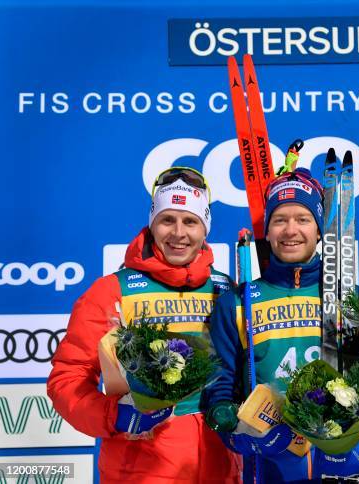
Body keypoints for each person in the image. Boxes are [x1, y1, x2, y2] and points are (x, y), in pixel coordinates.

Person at [47, 167, 241, 484]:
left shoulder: (225, 290)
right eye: (167, 220)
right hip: (142, 470)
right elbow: (68, 378)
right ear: (152, 224)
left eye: (190, 221)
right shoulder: (112, 291)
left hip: (221, 469)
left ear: (205, 229)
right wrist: (116, 417)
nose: (179, 233)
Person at [206, 168, 359, 483]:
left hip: (339, 468)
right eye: (280, 220)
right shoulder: (237, 303)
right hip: (268, 468)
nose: (290, 230)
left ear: (320, 230)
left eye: (302, 219)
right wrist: (239, 435)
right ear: (268, 231)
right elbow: (220, 389)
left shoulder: (357, 300)